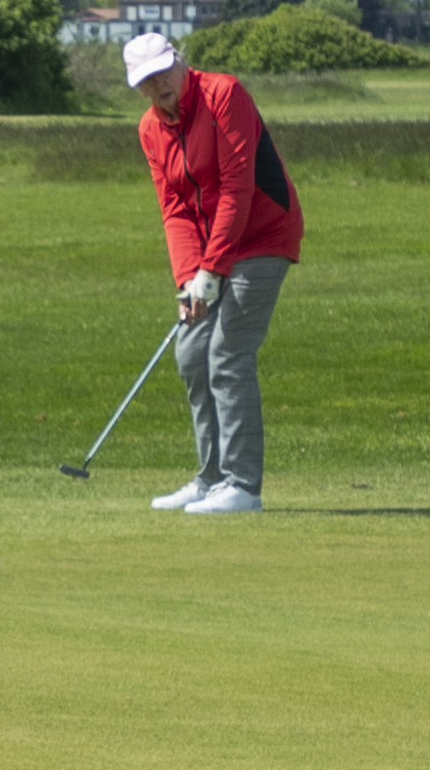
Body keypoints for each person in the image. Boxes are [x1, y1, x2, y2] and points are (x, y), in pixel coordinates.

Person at [123, 28, 300, 513]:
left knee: (227, 353)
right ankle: (211, 478)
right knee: (191, 352)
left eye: (164, 73)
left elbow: (237, 186)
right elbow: (175, 209)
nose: (159, 86)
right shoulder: (150, 128)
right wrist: (189, 277)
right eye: (147, 81)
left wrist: (213, 268)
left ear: (180, 62)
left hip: (263, 234)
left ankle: (242, 486)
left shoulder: (224, 94)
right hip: (209, 253)